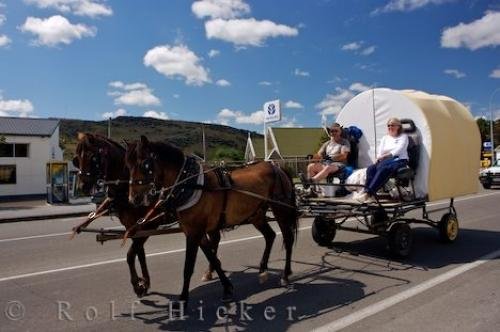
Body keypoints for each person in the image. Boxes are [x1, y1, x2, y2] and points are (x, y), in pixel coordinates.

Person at [354, 117, 408, 203]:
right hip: (385, 160)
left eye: (392, 125)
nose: (390, 127)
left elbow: (399, 150)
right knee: (371, 168)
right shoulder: (385, 138)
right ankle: (367, 192)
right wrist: (379, 158)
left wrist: (385, 156)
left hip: (399, 160)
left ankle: (368, 194)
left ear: (398, 126)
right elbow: (380, 151)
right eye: (388, 125)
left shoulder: (403, 137)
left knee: (383, 169)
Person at [302, 123, 350, 187]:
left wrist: (329, 158)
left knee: (328, 167)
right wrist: (312, 156)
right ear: (329, 132)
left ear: (340, 131)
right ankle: (312, 190)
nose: (334, 132)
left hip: (339, 165)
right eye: (332, 131)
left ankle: (311, 181)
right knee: (311, 166)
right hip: (326, 164)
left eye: (336, 131)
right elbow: (319, 155)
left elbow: (344, 156)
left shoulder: (344, 142)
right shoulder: (326, 144)